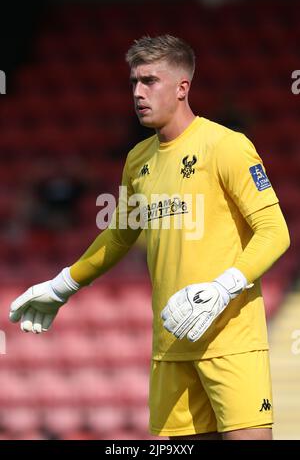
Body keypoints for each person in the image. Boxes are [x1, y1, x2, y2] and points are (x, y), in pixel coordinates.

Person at [9, 35, 290, 441]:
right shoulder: (138, 159)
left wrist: (224, 286)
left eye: (150, 81)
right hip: (171, 346)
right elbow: (120, 236)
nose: (138, 93)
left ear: (182, 87)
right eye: (133, 83)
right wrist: (62, 285)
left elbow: (274, 231)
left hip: (230, 342)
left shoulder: (226, 146)